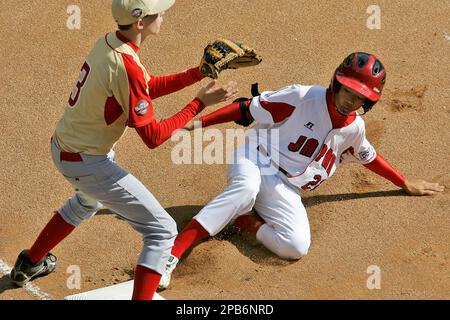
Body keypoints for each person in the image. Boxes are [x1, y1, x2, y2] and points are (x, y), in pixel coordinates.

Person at [9, 0, 238, 300]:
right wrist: (199, 104)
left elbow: (146, 85)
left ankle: (30, 263)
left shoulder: (111, 43)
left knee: (86, 202)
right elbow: (153, 137)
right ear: (140, 22)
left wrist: (198, 72)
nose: (164, 13)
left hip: (68, 147)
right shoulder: (126, 63)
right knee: (162, 230)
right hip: (86, 161)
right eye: (158, 11)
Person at [157, 52, 445, 290]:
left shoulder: (355, 129)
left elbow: (369, 157)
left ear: (368, 101)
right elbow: (244, 110)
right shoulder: (302, 96)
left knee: (296, 246)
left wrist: (404, 182)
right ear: (337, 82)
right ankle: (172, 255)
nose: (350, 99)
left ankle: (244, 222)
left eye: (359, 97)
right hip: (255, 157)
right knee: (245, 190)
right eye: (347, 90)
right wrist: (194, 125)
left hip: (284, 184)